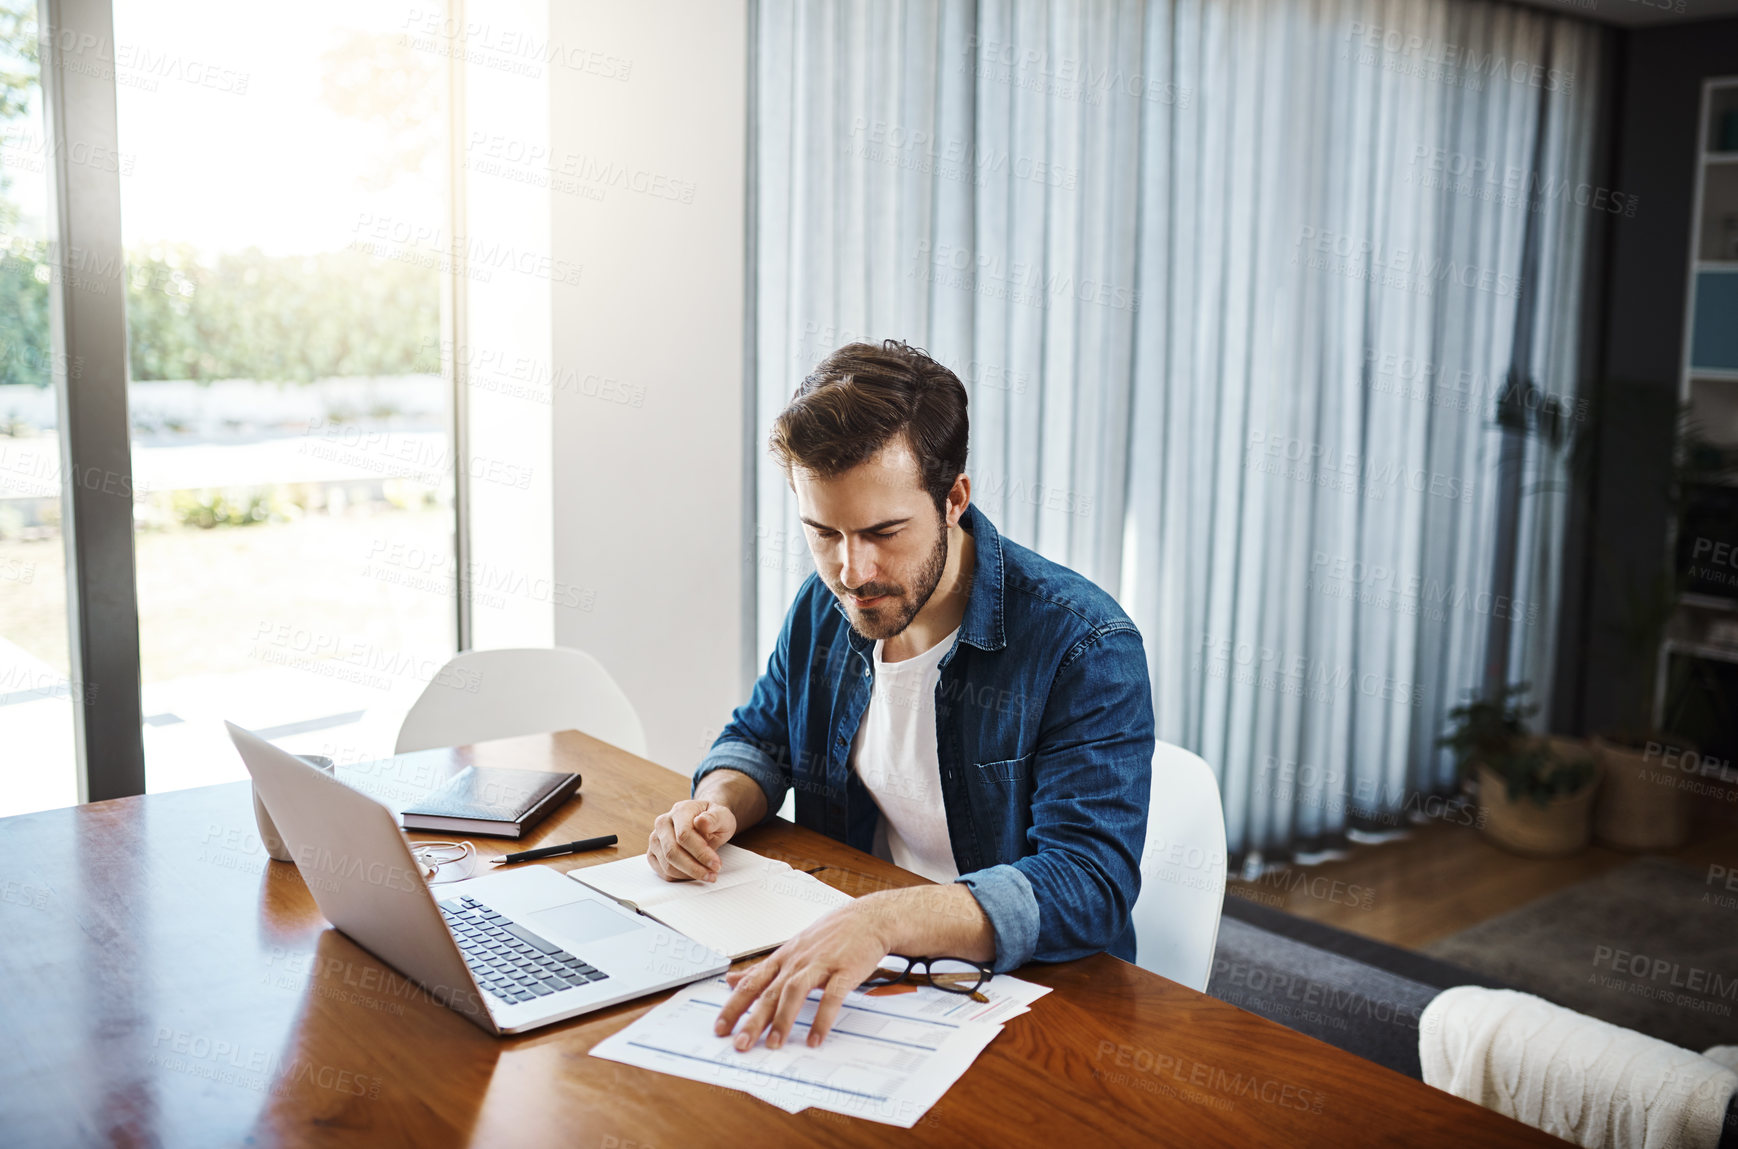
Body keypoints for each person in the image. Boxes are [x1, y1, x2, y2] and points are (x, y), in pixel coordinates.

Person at [646, 339, 1155, 1052]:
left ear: (954, 499)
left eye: (883, 532)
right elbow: (760, 738)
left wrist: (885, 919)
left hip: (1030, 1002)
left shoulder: (1084, 645)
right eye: (823, 533)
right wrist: (716, 807)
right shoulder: (825, 608)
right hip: (865, 970)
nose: (852, 570)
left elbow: (1088, 884)